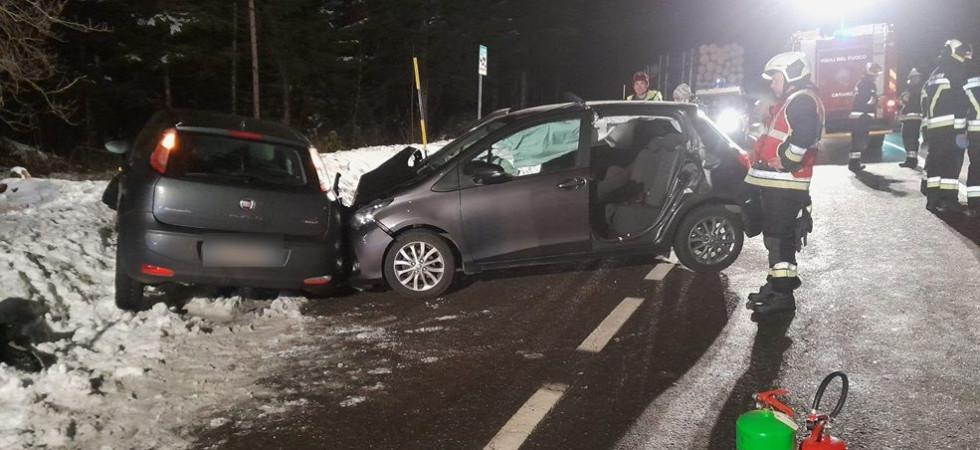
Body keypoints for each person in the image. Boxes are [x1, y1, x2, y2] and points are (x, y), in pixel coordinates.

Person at [744, 52, 825, 314]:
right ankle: (776, 285)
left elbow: (804, 136)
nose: (772, 83)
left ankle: (782, 295)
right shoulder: (793, 100)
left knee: (779, 239)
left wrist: (786, 160)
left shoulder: (801, 100)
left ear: (791, 75)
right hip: (780, 184)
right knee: (775, 237)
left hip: (786, 184)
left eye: (775, 77)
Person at [921, 39, 972, 213]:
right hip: (952, 126)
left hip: (934, 126)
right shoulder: (956, 70)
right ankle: (949, 202)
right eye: (962, 50)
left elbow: (925, 99)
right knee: (951, 164)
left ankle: (932, 200)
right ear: (953, 51)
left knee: (936, 163)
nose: (965, 54)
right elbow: (961, 99)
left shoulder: (936, 72)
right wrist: (962, 127)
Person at [848, 62, 882, 173]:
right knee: (859, 140)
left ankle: (854, 162)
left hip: (861, 116)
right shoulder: (868, 83)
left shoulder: (863, 82)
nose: (877, 74)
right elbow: (868, 99)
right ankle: (854, 164)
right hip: (863, 116)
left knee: (858, 140)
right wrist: (876, 100)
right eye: (876, 72)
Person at [898, 68, 925, 168]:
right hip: (908, 118)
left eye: (915, 77)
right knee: (908, 138)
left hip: (913, 118)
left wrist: (905, 98)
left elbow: (908, 100)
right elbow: (902, 100)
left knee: (911, 139)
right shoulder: (910, 88)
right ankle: (910, 159)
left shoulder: (917, 89)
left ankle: (912, 161)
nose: (914, 79)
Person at [964, 62, 980, 215]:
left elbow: (961, 107)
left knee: (976, 166)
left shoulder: (969, 84)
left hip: (974, 133)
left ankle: (974, 205)